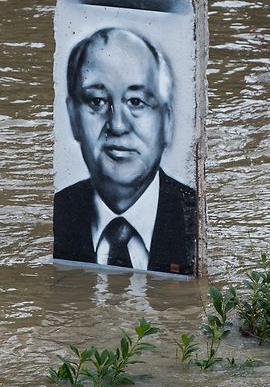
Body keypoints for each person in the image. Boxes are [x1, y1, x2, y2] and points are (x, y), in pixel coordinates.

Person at [54, 27, 196, 275]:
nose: (117, 125)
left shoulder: (193, 216)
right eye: (97, 101)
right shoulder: (59, 213)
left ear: (167, 121)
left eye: (136, 102)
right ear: (73, 117)